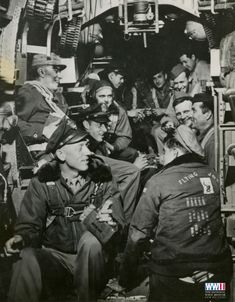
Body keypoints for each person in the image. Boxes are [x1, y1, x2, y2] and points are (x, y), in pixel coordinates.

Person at [5, 118, 125, 302]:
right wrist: (21, 237)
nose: (88, 152)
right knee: (25, 256)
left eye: (87, 146)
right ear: (61, 154)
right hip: (56, 258)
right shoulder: (43, 183)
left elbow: (117, 225)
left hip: (94, 262)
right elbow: (30, 224)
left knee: (90, 241)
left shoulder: (103, 178)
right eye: (80, 148)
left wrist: (99, 221)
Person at [119, 125, 232, 302]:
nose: (162, 157)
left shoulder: (159, 181)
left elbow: (137, 235)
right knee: (213, 300)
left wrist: (125, 277)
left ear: (176, 151)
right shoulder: (213, 174)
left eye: (165, 151)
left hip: (171, 276)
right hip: (215, 273)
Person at [78, 103, 142, 224]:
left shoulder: (96, 142)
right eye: (99, 125)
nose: (105, 130)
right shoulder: (87, 147)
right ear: (86, 124)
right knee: (133, 172)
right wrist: (135, 167)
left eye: (105, 125)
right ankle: (124, 224)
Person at [15, 53, 68, 151]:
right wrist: (42, 131)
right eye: (56, 71)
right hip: (41, 152)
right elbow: (12, 122)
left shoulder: (56, 96)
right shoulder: (29, 92)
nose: (60, 76)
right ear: (41, 72)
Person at [90, 80, 138, 162]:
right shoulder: (88, 112)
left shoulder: (119, 112)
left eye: (109, 96)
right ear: (94, 96)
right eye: (101, 96)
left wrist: (114, 147)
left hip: (110, 146)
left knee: (132, 153)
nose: (106, 100)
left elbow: (125, 136)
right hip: (92, 147)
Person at [192, 93, 215, 170]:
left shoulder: (213, 142)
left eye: (194, 111)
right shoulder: (202, 136)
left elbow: (213, 175)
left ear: (207, 114)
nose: (191, 116)